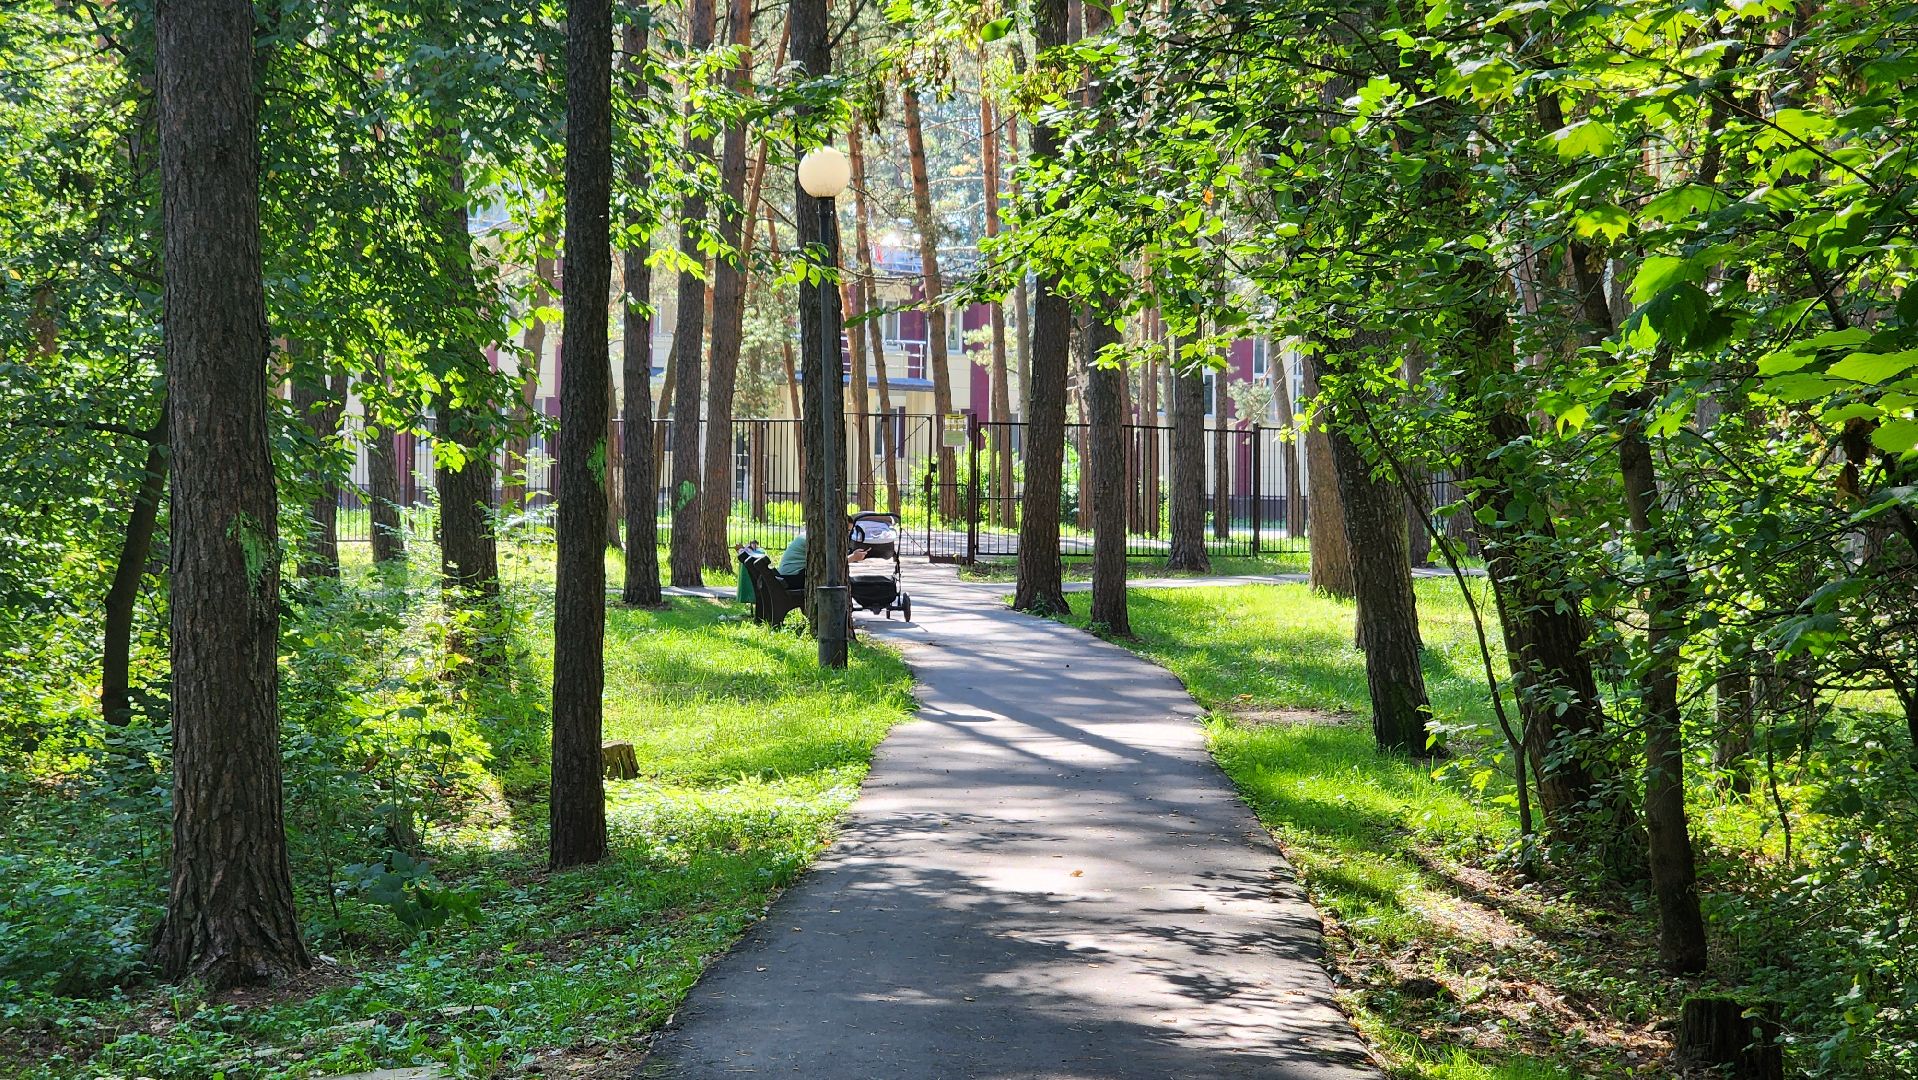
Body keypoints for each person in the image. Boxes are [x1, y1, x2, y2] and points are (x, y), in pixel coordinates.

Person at [776, 522, 865, 591]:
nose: (846, 534)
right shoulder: (816, 539)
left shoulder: (812, 534)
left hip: (788, 577)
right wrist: (853, 557)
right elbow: (829, 564)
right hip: (792, 579)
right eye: (845, 530)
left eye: (849, 531)